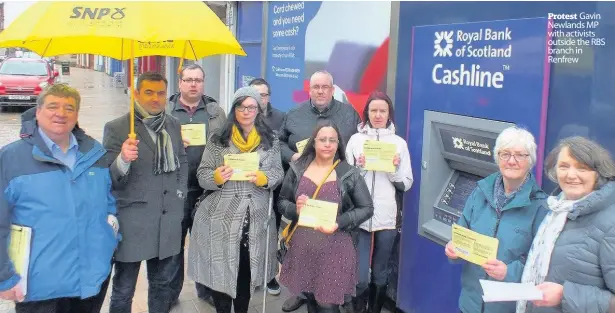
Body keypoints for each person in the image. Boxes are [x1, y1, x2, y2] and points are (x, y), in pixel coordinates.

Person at [0, 84, 119, 313]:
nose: (61, 113)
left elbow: (108, 202)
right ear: (37, 112)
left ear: (77, 115)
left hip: (90, 281)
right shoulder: (11, 159)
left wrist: (110, 236)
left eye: (69, 108)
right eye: (53, 106)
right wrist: (4, 277)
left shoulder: (94, 153)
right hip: (38, 287)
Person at [187, 86, 284, 313]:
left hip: (256, 217)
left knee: (246, 272)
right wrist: (216, 177)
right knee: (221, 272)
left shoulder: (271, 139)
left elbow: (278, 173)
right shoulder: (218, 139)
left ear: (259, 110)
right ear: (234, 109)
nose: (246, 111)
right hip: (222, 216)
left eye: (251, 107)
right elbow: (203, 174)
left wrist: (264, 178)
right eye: (241, 106)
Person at [103, 72, 188, 313]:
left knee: (162, 286)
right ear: (137, 94)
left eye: (161, 93)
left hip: (166, 221)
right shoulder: (118, 128)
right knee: (123, 289)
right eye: (149, 92)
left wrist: (179, 194)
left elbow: (182, 161)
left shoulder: (172, 124)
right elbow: (109, 180)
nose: (155, 98)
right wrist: (123, 159)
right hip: (133, 223)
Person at [278, 70, 362, 312]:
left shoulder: (348, 114)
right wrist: (293, 156)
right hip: (305, 189)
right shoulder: (294, 114)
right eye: (316, 87)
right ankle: (303, 292)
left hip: (338, 193)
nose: (321, 91)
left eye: (326, 87)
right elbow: (280, 142)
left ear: (333, 89)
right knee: (305, 248)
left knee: (333, 249)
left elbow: (359, 143)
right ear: (310, 89)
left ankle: (333, 292)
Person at [444, 126, 548, 313]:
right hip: (470, 303)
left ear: (530, 160)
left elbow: (541, 263)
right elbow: (462, 230)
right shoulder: (480, 192)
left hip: (506, 307)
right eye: (505, 154)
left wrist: (509, 272)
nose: (511, 161)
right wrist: (454, 248)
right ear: (497, 157)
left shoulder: (540, 206)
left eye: (520, 155)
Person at [517, 136, 615, 313]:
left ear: (598, 174)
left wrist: (565, 295)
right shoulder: (557, 210)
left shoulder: (610, 223)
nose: (571, 175)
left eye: (582, 168)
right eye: (564, 166)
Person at [345, 92, 413, 313]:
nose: (377, 115)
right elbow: (345, 180)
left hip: (387, 216)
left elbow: (406, 183)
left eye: (382, 111)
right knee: (361, 275)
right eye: (373, 110)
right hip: (360, 214)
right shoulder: (356, 141)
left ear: (389, 114)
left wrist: (393, 171)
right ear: (366, 113)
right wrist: (360, 167)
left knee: (381, 271)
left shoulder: (399, 144)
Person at [167, 63, 227, 305]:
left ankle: (207, 291)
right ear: (180, 82)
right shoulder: (166, 110)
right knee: (174, 246)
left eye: (198, 80)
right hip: (175, 189)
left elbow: (226, 144)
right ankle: (170, 293)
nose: (193, 84)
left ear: (204, 83)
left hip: (207, 190)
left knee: (206, 243)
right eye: (189, 80)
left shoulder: (216, 112)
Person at [249, 77, 286, 296]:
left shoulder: (281, 117)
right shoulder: (240, 115)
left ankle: (270, 275)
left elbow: (284, 147)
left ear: (268, 97)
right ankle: (252, 273)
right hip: (248, 186)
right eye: (254, 93)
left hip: (273, 184)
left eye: (263, 94)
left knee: (271, 232)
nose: (258, 98)